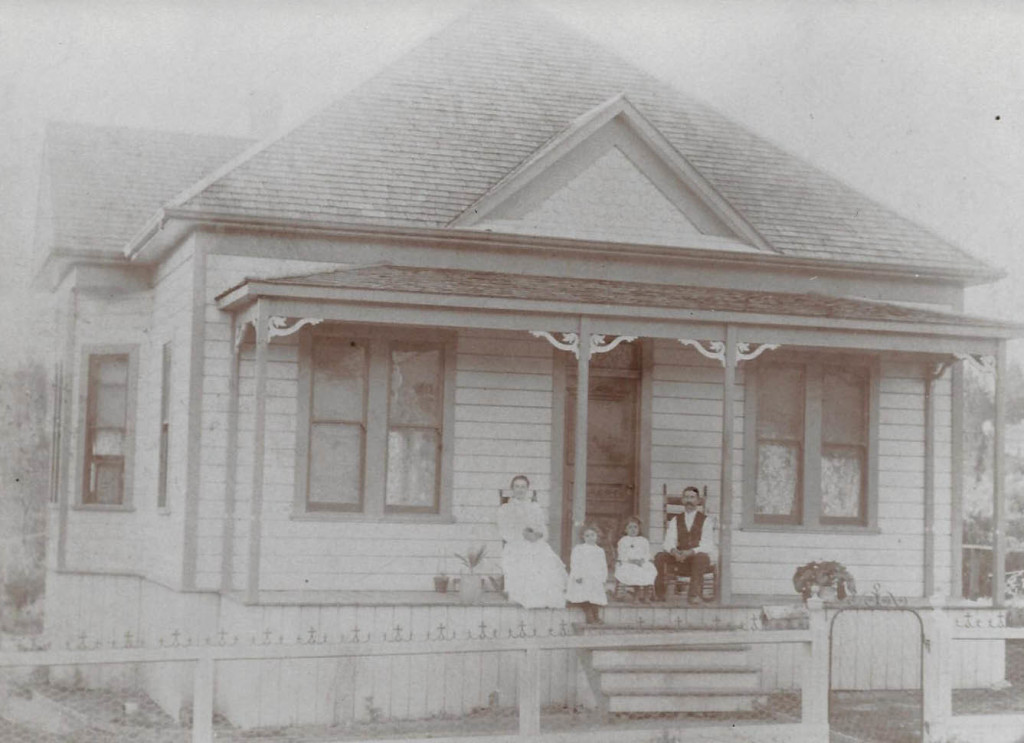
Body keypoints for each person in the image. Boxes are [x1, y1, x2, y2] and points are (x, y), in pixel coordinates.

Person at [496, 474, 567, 609]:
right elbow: (504, 531)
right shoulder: (505, 509)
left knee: (545, 559)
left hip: (535, 542)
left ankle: (544, 598)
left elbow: (543, 529)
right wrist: (522, 535)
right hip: (516, 544)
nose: (520, 489)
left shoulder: (535, 507)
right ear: (512, 489)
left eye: (523, 487)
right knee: (525, 559)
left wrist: (537, 535)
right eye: (517, 486)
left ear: (527, 489)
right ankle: (526, 597)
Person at [654, 486, 717, 604]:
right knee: (659, 556)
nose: (689, 501)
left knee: (703, 557)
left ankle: (693, 595)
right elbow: (668, 541)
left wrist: (690, 552)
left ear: (698, 501)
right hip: (679, 557)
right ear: (682, 500)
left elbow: (707, 544)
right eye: (686, 497)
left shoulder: (706, 521)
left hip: (695, 559)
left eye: (692, 497)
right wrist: (674, 551)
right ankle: (660, 594)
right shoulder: (675, 520)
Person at [566, 524, 608, 624]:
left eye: (592, 535)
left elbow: (603, 565)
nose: (590, 538)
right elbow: (574, 563)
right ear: (583, 537)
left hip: (595, 577)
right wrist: (577, 576)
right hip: (582, 577)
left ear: (597, 536)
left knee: (595, 597)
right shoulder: (579, 549)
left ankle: (596, 615)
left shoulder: (600, 550)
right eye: (587, 536)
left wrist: (603, 578)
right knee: (585, 595)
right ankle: (589, 615)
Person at [614, 515, 657, 602]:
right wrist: (632, 561)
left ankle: (646, 595)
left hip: (641, 562)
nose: (633, 530)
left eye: (635, 527)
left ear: (639, 529)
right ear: (625, 529)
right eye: (630, 527)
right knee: (635, 570)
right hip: (628, 563)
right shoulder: (623, 540)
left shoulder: (643, 540)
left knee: (649, 569)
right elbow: (622, 554)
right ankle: (636, 595)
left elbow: (647, 553)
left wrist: (643, 560)